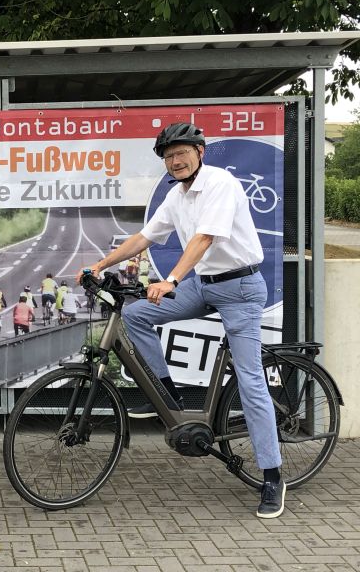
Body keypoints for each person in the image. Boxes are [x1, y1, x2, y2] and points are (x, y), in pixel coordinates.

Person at [79, 122, 284, 519]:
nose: (175, 161)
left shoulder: (220, 184)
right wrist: (100, 263)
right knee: (137, 313)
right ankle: (169, 397)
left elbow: (204, 239)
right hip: (203, 285)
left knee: (251, 380)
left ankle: (273, 476)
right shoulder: (176, 195)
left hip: (240, 289)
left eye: (181, 153)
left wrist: (171, 279)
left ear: (200, 151)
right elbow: (145, 237)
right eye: (169, 156)